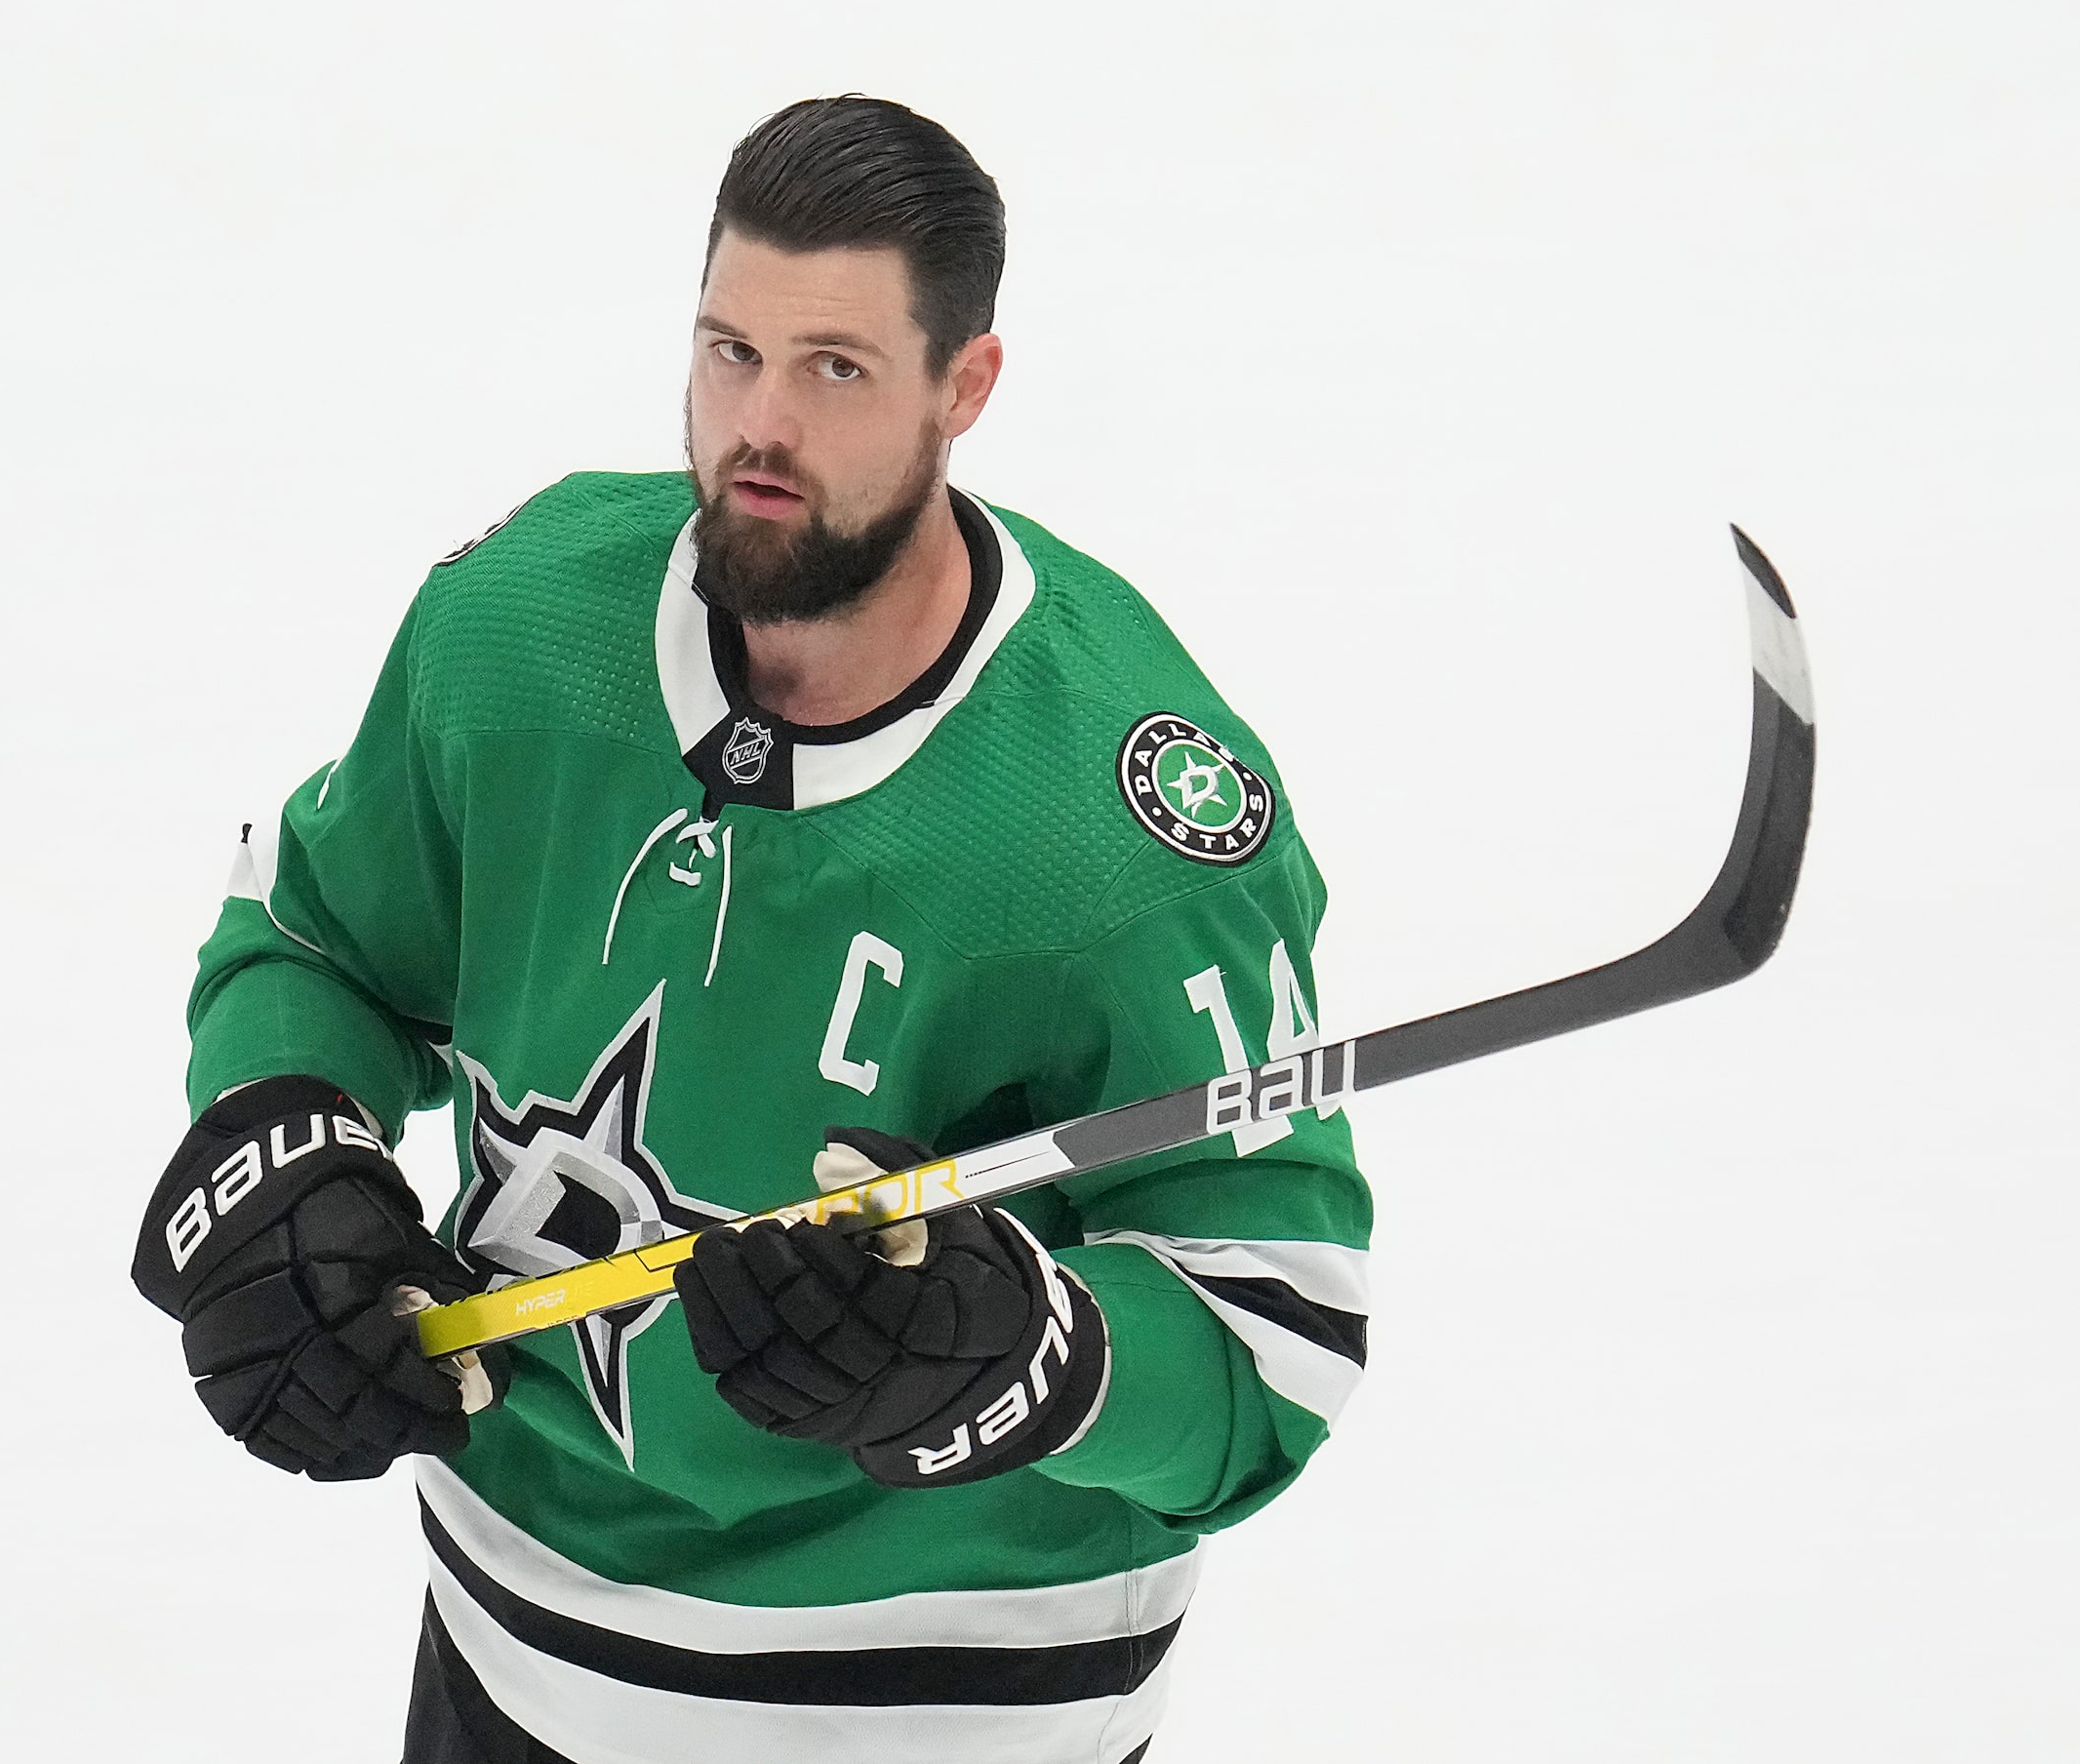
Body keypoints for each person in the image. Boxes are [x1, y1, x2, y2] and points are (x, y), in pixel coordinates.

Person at [132, 97, 1371, 1764]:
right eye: (728, 349)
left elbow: (1271, 1347)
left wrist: (1029, 1347)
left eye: (836, 368)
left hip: (958, 1717)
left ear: (965, 387)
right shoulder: (515, 634)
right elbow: (313, 944)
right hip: (511, 1654)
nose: (758, 424)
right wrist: (287, 1145)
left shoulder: (1126, 816)